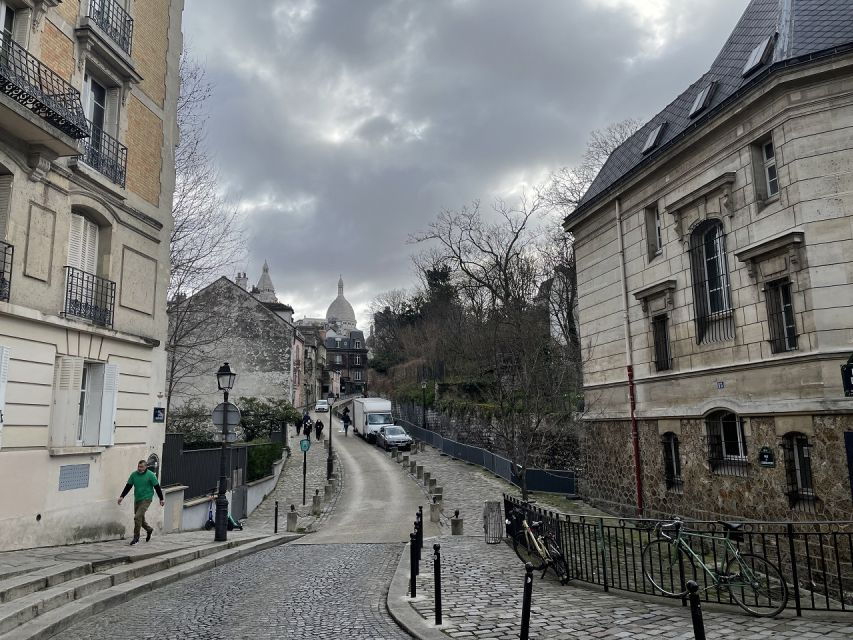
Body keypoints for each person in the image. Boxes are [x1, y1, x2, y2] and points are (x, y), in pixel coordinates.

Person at [118, 460, 164, 545]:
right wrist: (122, 496)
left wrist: (161, 499)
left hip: (147, 499)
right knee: (140, 519)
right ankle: (149, 529)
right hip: (137, 499)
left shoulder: (150, 475)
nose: (139, 468)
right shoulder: (134, 475)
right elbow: (128, 486)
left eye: (141, 467)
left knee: (137, 517)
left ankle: (136, 537)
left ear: (146, 467)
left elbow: (157, 487)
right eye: (138, 466)